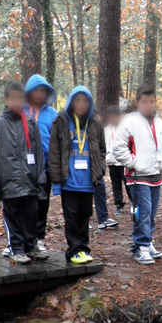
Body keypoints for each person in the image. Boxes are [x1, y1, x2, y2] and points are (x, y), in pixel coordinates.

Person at [0, 81, 50, 265]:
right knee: (13, 216)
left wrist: (40, 180)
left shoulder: (30, 123)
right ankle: (16, 248)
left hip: (29, 182)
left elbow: (38, 155)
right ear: (5, 100)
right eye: (13, 98)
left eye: (20, 98)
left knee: (31, 214)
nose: (17, 102)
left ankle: (31, 246)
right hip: (9, 183)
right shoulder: (0, 124)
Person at [112, 87, 162, 265]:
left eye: (152, 101)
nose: (148, 105)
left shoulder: (161, 124)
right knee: (142, 212)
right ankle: (140, 247)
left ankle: (148, 242)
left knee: (151, 213)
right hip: (137, 176)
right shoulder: (129, 121)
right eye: (144, 101)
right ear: (137, 103)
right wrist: (134, 163)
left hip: (156, 175)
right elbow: (118, 148)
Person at [49, 85, 107, 264]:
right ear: (71, 102)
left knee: (85, 215)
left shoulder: (95, 124)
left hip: (88, 182)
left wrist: (100, 170)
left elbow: (103, 150)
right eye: (77, 100)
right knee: (71, 217)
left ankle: (84, 248)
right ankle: (73, 250)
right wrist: (57, 182)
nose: (81, 104)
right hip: (69, 182)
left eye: (85, 101)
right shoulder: (61, 121)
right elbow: (54, 153)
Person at [4, 74, 57, 258]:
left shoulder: (52, 114)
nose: (39, 94)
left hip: (45, 168)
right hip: (22, 168)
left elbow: (57, 141)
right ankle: (16, 242)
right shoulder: (20, 110)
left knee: (41, 204)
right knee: (20, 205)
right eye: (36, 90)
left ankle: (37, 239)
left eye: (43, 90)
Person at [104, 106, 131, 215]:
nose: (111, 119)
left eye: (113, 116)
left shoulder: (126, 128)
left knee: (128, 183)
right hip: (112, 161)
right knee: (115, 184)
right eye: (109, 117)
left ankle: (134, 201)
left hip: (124, 162)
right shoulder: (106, 130)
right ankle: (118, 204)